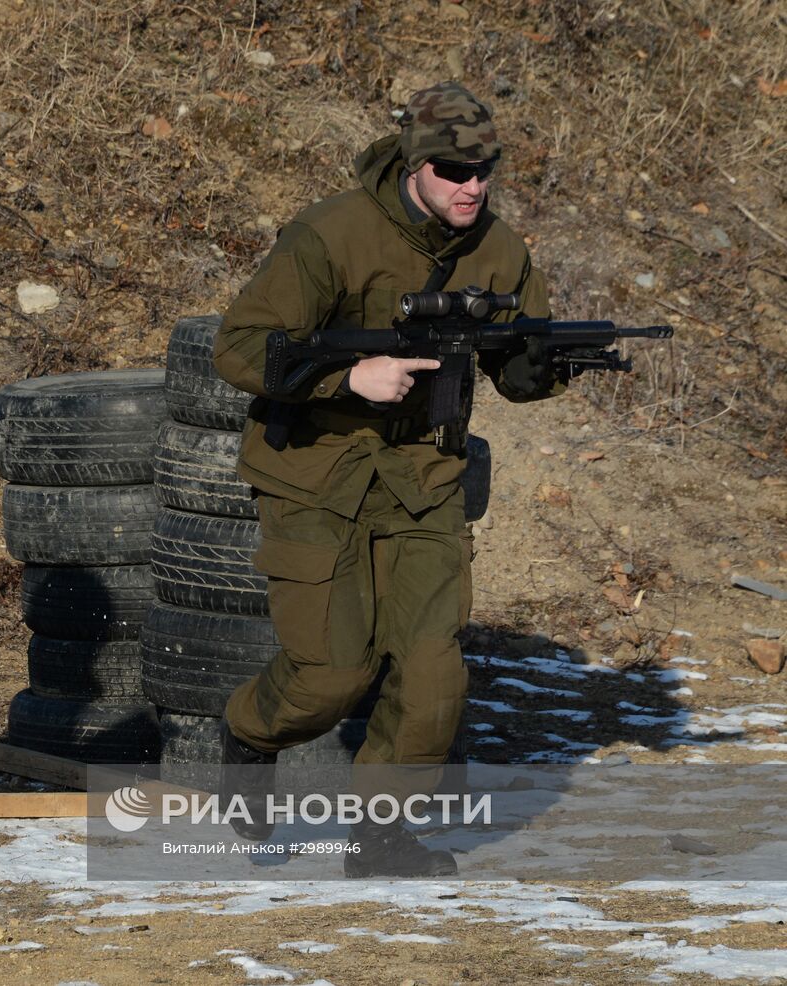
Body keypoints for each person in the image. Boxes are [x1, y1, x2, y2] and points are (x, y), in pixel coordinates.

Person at [214, 83, 566, 876]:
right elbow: (239, 347)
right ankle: (247, 732)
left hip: (423, 480)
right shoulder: (330, 234)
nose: (471, 186)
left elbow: (519, 376)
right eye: (452, 169)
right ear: (415, 164)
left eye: (486, 169)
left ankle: (379, 837)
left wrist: (547, 364)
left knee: (433, 675)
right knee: (331, 680)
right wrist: (349, 377)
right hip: (316, 476)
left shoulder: (499, 251)